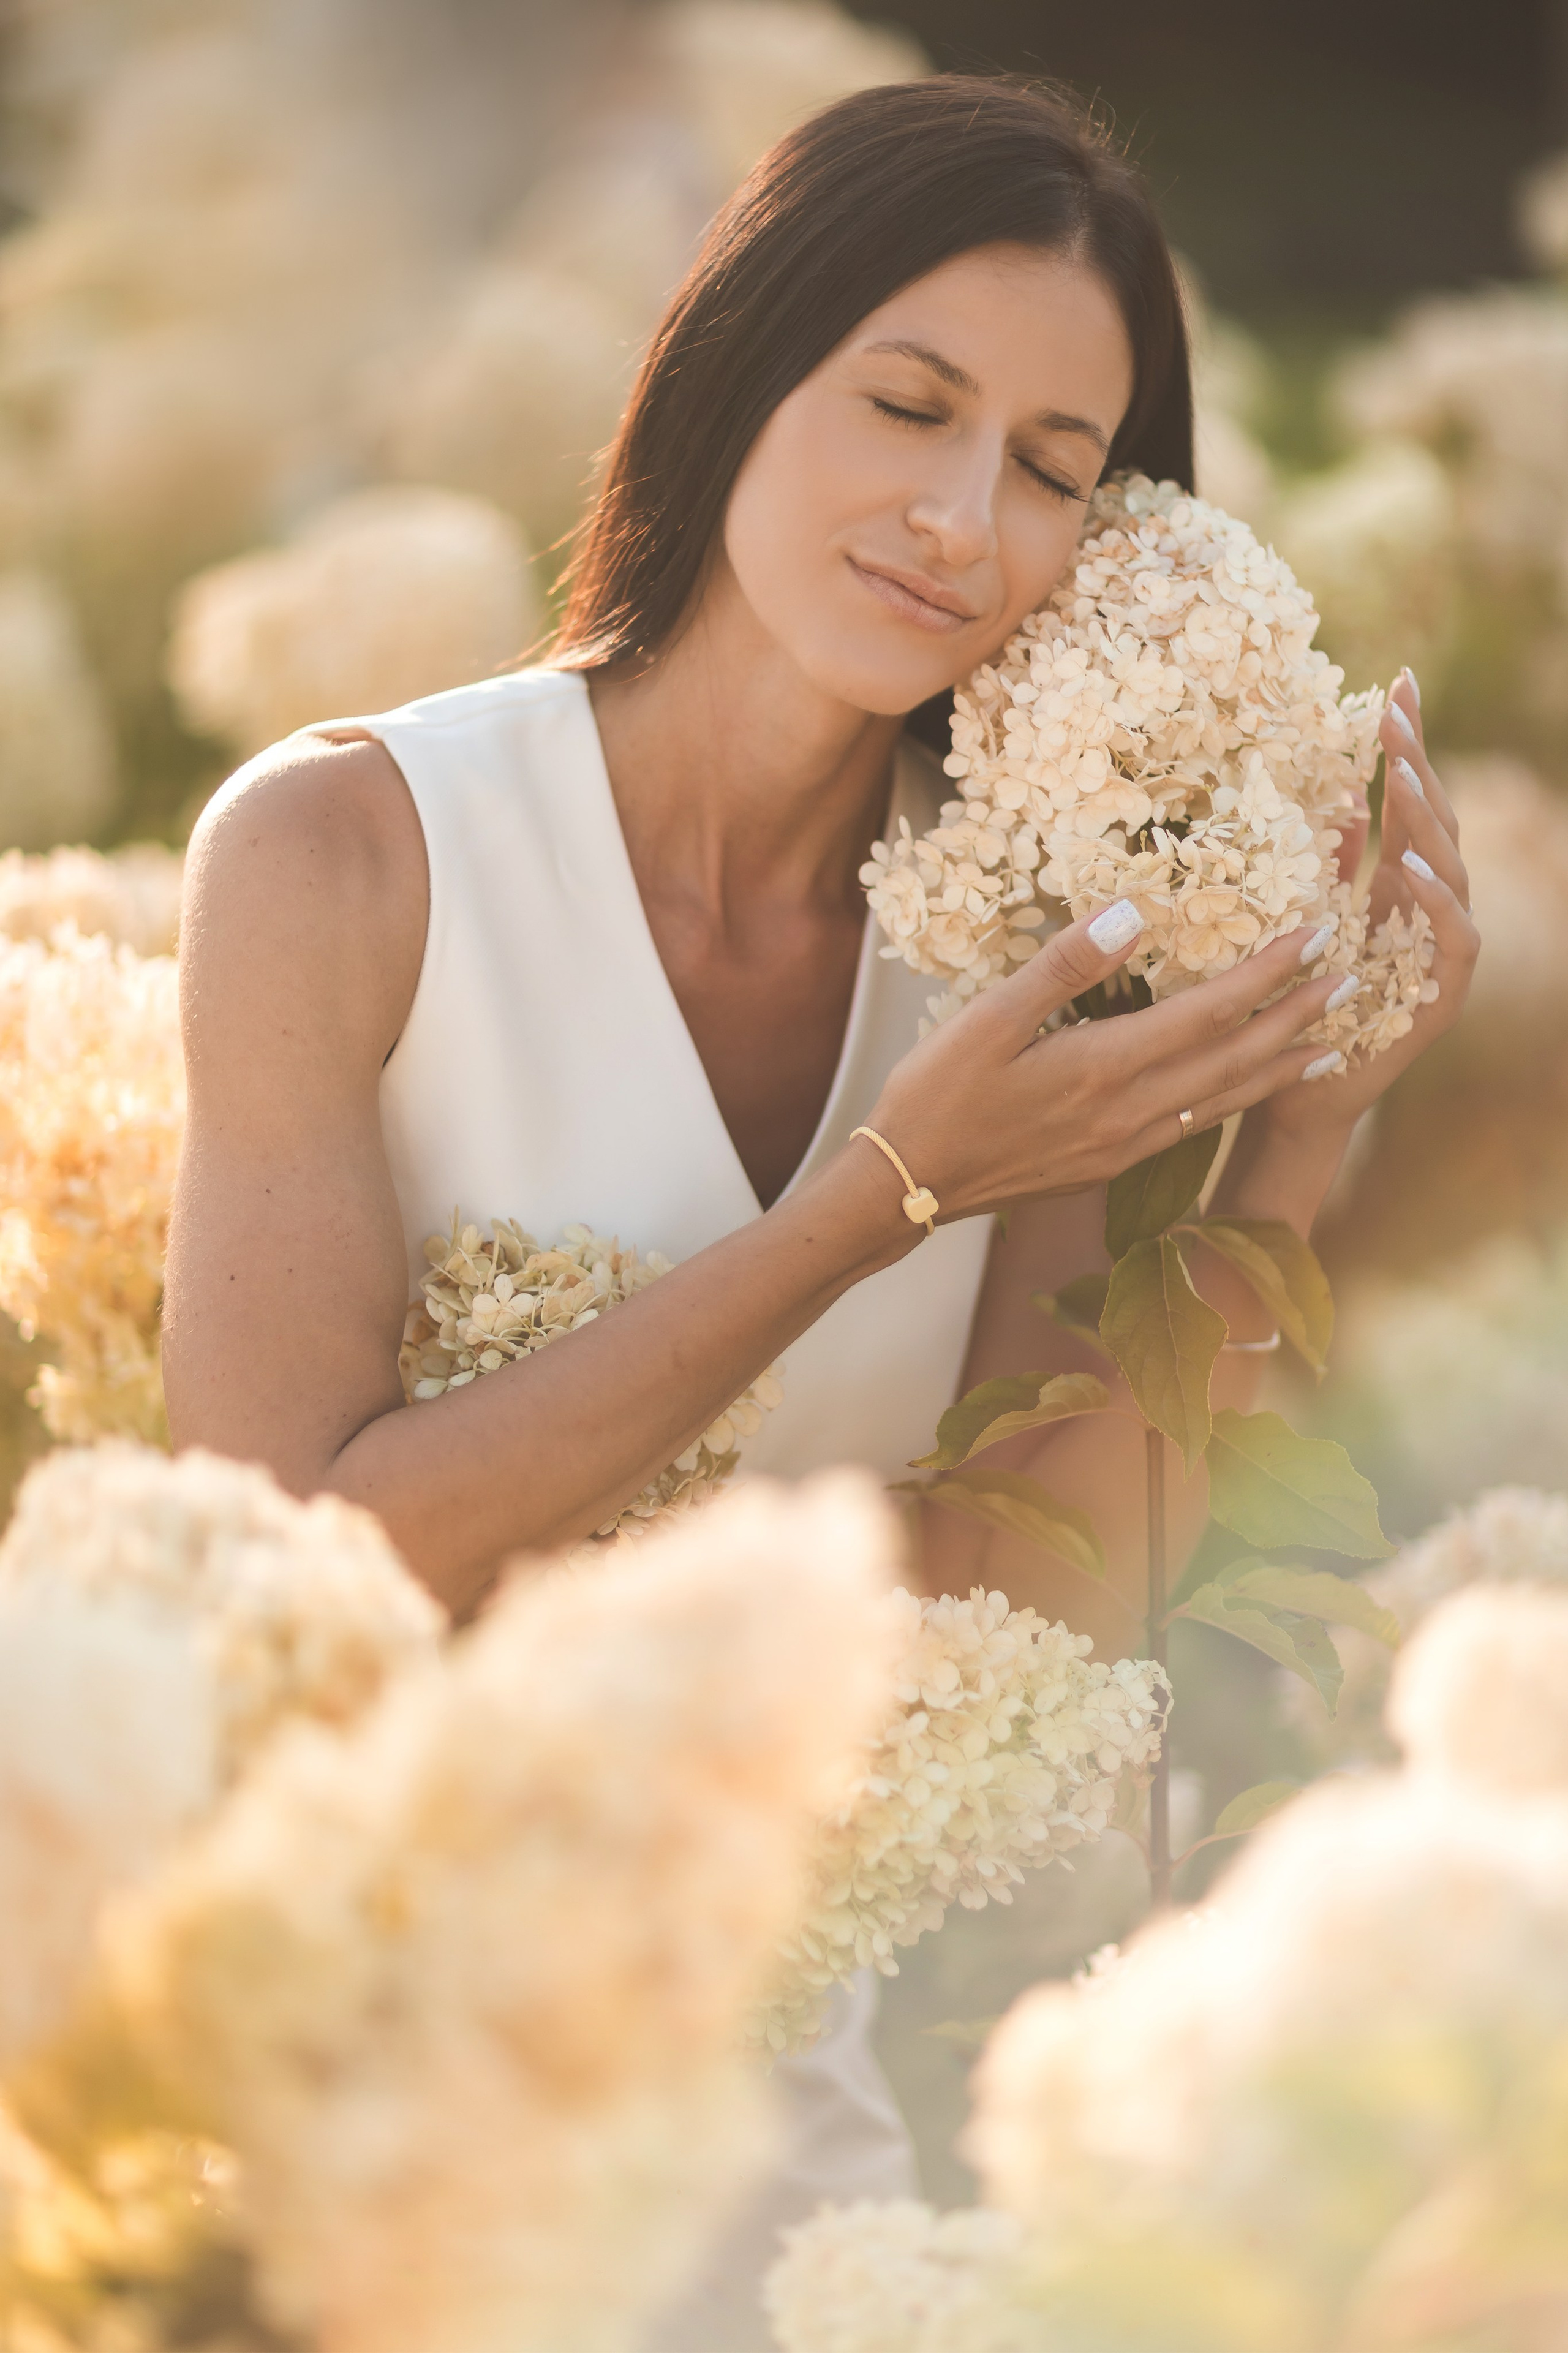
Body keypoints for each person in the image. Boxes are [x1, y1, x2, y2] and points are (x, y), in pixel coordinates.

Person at [163, 75, 1477, 2351]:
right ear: (735, 358)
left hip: (793, 2163)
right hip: (358, 2127)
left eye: (1057, 468)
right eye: (911, 403)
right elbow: (287, 1547)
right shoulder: (343, 857)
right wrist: (884, 1201)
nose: (964, 516)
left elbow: (1026, 1579)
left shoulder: (1034, 936)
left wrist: (1307, 1129)